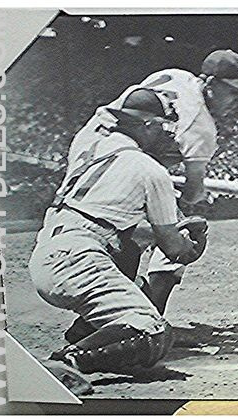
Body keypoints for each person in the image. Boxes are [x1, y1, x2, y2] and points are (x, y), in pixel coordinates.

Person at [60, 49, 238, 341]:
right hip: (129, 158)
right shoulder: (201, 128)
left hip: (91, 142)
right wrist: (194, 194)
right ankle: (142, 325)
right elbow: (192, 193)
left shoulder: (176, 75)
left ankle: (96, 321)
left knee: (123, 232)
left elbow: (138, 109)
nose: (236, 99)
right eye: (231, 91)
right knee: (178, 239)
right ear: (209, 83)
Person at [29, 89, 206, 392]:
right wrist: (196, 241)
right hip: (79, 258)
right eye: (165, 126)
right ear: (148, 125)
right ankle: (65, 363)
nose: (170, 134)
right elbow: (175, 250)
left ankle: (88, 331)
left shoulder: (90, 142)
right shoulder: (151, 171)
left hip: (50, 249)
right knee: (153, 331)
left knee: (131, 245)